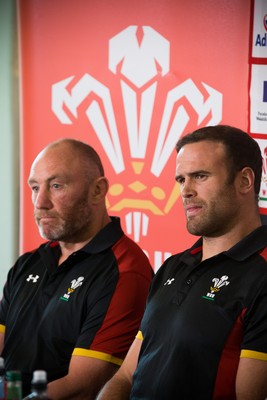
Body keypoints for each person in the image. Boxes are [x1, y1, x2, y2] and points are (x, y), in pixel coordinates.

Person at [97, 125, 267, 400]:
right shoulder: (172, 267)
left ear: (245, 181)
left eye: (200, 176)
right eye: (180, 179)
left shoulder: (261, 276)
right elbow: (127, 375)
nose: (185, 190)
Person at [0, 138, 153, 399]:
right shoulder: (29, 263)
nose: (40, 202)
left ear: (98, 190)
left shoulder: (125, 270)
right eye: (35, 187)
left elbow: (83, 387)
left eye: (56, 186)